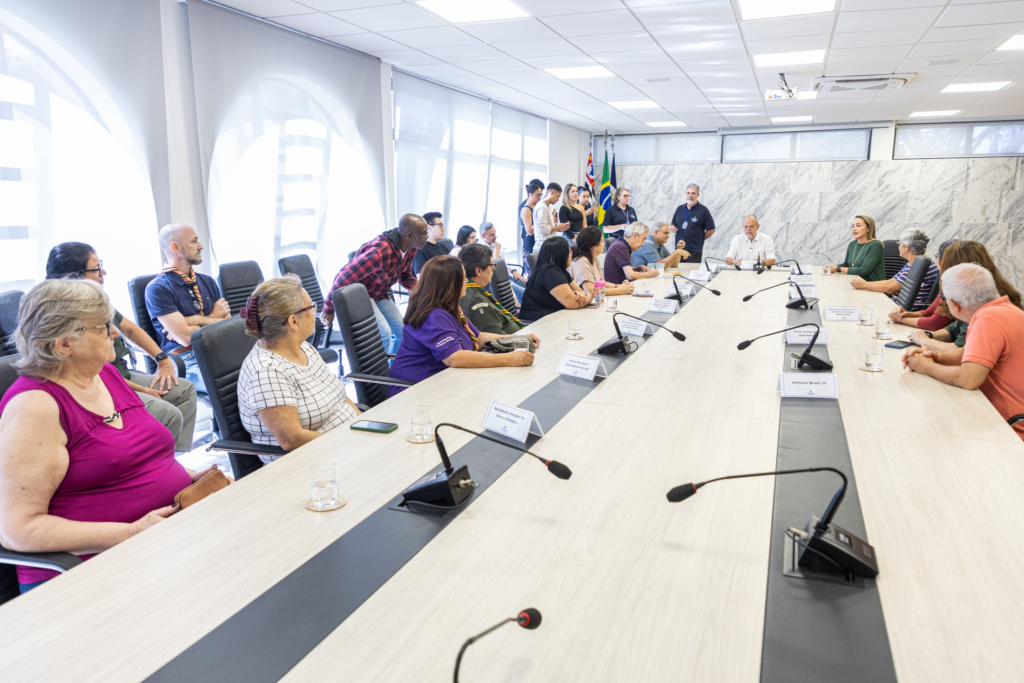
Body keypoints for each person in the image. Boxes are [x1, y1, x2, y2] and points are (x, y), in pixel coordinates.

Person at [0, 279, 226, 593]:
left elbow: (133, 457)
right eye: (105, 327)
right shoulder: (34, 406)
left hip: (161, 544)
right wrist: (130, 532)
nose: (116, 333)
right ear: (64, 344)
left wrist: (188, 476)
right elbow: (17, 530)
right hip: (90, 572)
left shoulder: (103, 374)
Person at [45, 242, 198, 453]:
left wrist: (162, 359)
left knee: (185, 390)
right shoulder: (65, 316)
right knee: (168, 414)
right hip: (102, 385)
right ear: (75, 276)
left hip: (121, 375)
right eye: (97, 268)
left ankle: (171, 460)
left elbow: (130, 329)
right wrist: (140, 389)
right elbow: (96, 374)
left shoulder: (93, 300)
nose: (104, 272)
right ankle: (154, 464)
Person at [238, 276, 360, 462]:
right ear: (293, 321)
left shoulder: (304, 348)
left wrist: (363, 425)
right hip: (310, 463)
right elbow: (292, 440)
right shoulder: (266, 372)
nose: (314, 313)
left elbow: (339, 397)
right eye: (311, 307)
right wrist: (347, 444)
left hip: (343, 447)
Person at [903, 264, 1024, 440]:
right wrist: (937, 358)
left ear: (954, 305)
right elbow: (970, 355)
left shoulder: (988, 318)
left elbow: (968, 379)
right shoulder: (1007, 310)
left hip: (1009, 430)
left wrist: (926, 367)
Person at [387, 257, 538, 397]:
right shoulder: (435, 315)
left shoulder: (450, 306)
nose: (466, 280)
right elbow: (455, 358)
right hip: (413, 391)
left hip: (443, 382)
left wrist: (517, 338)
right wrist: (508, 359)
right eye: (463, 277)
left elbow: (478, 337)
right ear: (450, 284)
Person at [321, 214, 428, 355]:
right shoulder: (380, 252)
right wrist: (328, 309)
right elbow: (343, 277)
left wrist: (422, 290)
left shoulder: (410, 248)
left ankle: (394, 366)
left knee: (402, 332)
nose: (427, 236)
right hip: (361, 295)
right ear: (410, 235)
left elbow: (405, 275)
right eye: (424, 233)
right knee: (384, 333)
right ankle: (377, 369)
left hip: (379, 295)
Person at [144, 224, 230, 393]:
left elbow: (227, 326)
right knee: (233, 387)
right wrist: (213, 317)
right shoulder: (157, 288)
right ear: (175, 247)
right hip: (186, 359)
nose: (201, 246)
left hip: (216, 350)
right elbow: (184, 338)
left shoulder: (207, 281)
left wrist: (193, 320)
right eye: (194, 241)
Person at [906, 241, 1022, 354]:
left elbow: (961, 351)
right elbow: (957, 326)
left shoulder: (983, 301)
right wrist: (929, 336)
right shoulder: (992, 290)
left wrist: (925, 341)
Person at [849, 228, 938, 310]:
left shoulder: (919, 266)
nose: (898, 247)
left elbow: (891, 288)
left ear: (907, 247)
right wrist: (864, 284)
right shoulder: (914, 262)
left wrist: (864, 285)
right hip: (895, 304)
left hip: (900, 309)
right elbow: (891, 282)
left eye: (899, 244)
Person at [889, 239, 958, 331]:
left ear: (941, 261)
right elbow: (929, 312)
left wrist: (900, 319)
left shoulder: (956, 288)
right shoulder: (948, 283)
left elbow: (934, 324)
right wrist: (905, 314)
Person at [458, 244, 525, 335]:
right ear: (478, 271)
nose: (494, 268)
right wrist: (526, 339)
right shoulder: (475, 300)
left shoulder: (475, 290)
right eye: (492, 265)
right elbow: (497, 338)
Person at [520, 238, 594, 321]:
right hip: (536, 323)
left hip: (552, 318)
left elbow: (581, 292)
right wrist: (590, 296)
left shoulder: (561, 271)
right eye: (569, 251)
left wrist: (577, 293)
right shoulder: (550, 273)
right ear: (560, 254)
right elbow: (573, 303)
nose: (571, 254)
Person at [570, 227, 634, 297]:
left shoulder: (593, 257)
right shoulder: (581, 261)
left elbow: (601, 283)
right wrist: (620, 290)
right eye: (602, 241)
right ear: (594, 246)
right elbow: (591, 290)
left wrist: (619, 286)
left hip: (594, 299)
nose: (604, 243)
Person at [823, 215, 884, 281]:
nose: (854, 229)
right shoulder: (852, 244)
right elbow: (847, 264)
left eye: (858, 226)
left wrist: (838, 268)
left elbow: (863, 271)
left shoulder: (875, 245)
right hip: (855, 283)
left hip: (872, 285)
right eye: (853, 226)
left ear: (868, 228)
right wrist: (830, 268)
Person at [670, 183, 715, 262]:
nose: (690, 195)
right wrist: (672, 228)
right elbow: (673, 225)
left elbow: (711, 229)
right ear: (685, 194)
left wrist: (700, 238)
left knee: (691, 270)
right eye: (688, 193)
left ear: (698, 195)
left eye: (693, 193)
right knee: (677, 269)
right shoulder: (679, 209)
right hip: (679, 249)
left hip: (694, 251)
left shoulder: (703, 210)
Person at [533, 182, 570, 250]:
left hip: (546, 246)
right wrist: (558, 227)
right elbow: (542, 229)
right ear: (552, 193)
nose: (558, 199)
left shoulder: (545, 206)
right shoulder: (542, 207)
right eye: (558, 196)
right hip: (542, 247)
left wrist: (552, 221)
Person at [519, 179, 544, 263]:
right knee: (531, 266)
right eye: (538, 195)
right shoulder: (525, 209)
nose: (540, 197)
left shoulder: (537, 206)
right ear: (530, 194)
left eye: (541, 194)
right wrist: (543, 221)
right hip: (531, 241)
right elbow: (529, 231)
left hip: (538, 240)